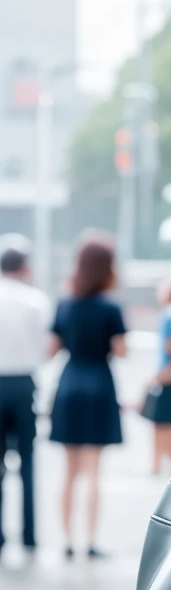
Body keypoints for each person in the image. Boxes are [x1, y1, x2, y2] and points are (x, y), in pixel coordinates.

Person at [48, 233, 126, 560]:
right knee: (94, 470)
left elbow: (50, 349)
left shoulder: (65, 304)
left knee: (68, 470)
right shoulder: (110, 307)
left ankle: (67, 542)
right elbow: (121, 351)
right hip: (99, 384)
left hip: (69, 385)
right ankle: (90, 542)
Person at [0, 237, 49, 556]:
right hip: (24, 385)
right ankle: (30, 534)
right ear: (25, 267)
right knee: (29, 461)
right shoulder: (36, 301)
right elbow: (44, 349)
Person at [143, 278, 171, 475]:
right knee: (164, 426)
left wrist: (155, 378)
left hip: (168, 377)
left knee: (166, 427)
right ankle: (158, 466)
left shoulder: (169, 316)